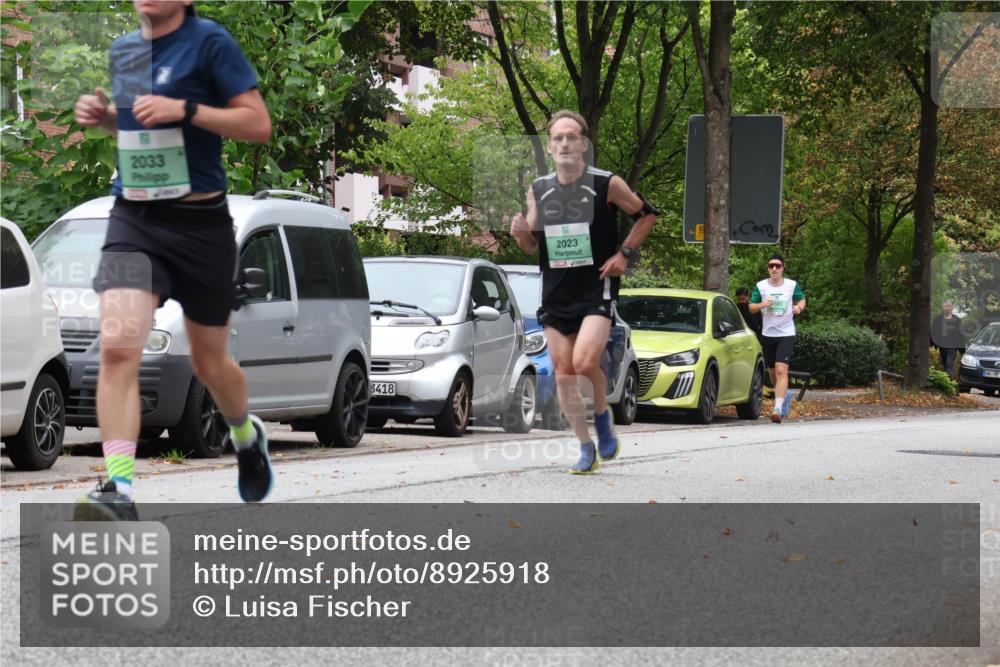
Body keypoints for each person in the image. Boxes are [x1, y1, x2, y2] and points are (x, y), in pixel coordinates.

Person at [73, 0, 272, 520]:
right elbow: (142, 131)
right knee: (118, 347)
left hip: (201, 227)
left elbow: (257, 124)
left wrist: (185, 109)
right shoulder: (127, 51)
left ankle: (246, 436)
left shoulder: (209, 42)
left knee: (210, 363)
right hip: (134, 220)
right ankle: (119, 490)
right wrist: (107, 120)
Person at [510, 110, 659, 474]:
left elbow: (647, 215)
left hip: (596, 287)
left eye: (570, 137)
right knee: (562, 372)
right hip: (557, 293)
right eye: (557, 138)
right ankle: (585, 446)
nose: (563, 143)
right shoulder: (539, 189)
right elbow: (532, 245)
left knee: (584, 364)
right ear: (549, 145)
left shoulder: (607, 183)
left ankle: (601, 416)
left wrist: (624, 254)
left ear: (583, 144)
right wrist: (520, 233)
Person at [747, 254, 806, 424]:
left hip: (786, 333)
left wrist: (799, 307)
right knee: (773, 372)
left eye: (777, 266)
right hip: (768, 334)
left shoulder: (791, 285)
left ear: (782, 268)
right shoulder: (761, 286)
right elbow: (751, 308)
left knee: (781, 370)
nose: (774, 269)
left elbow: (801, 299)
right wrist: (762, 305)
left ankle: (777, 409)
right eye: (771, 266)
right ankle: (784, 393)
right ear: (768, 268)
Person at [931, 300, 966, 379]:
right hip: (942, 346)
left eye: (947, 306)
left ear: (951, 308)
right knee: (944, 364)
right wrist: (931, 344)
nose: (946, 308)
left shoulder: (957, 320)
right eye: (944, 307)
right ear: (942, 308)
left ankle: (949, 382)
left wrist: (962, 349)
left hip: (953, 347)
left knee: (949, 364)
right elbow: (933, 332)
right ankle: (948, 383)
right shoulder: (938, 320)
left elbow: (961, 335)